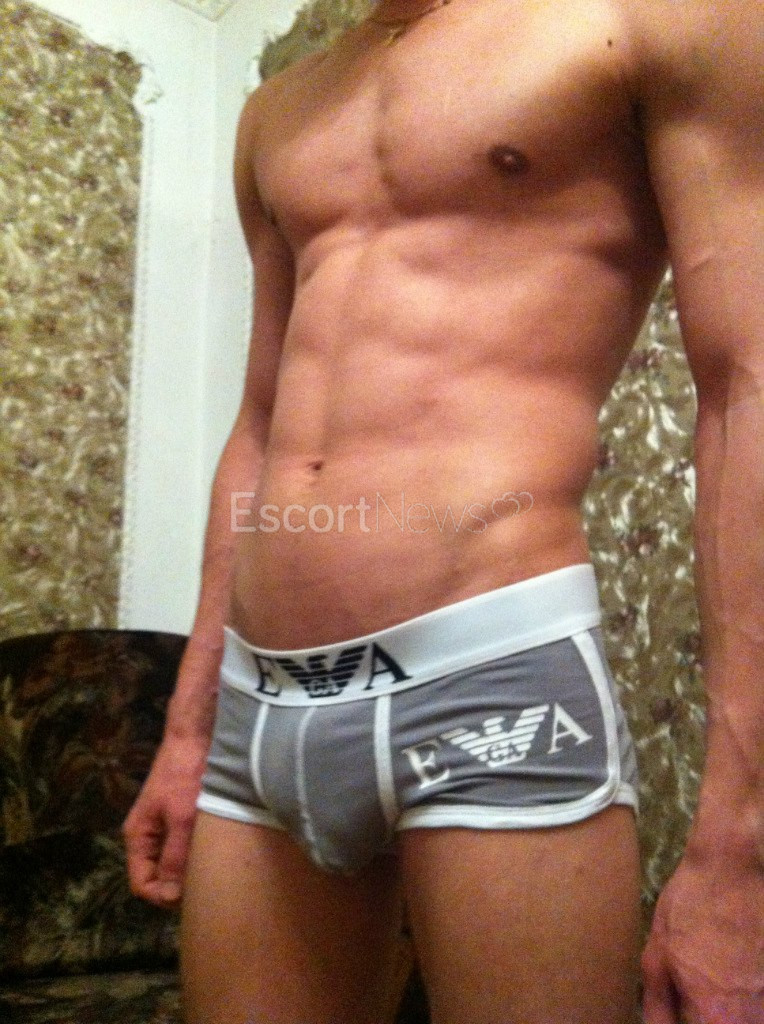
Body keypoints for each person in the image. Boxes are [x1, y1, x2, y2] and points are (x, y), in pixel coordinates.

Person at [122, 0, 764, 1021]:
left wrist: (742, 852)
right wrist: (188, 725)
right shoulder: (276, 111)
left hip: (489, 678)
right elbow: (259, 424)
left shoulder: (641, 19)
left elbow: (743, 386)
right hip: (258, 707)